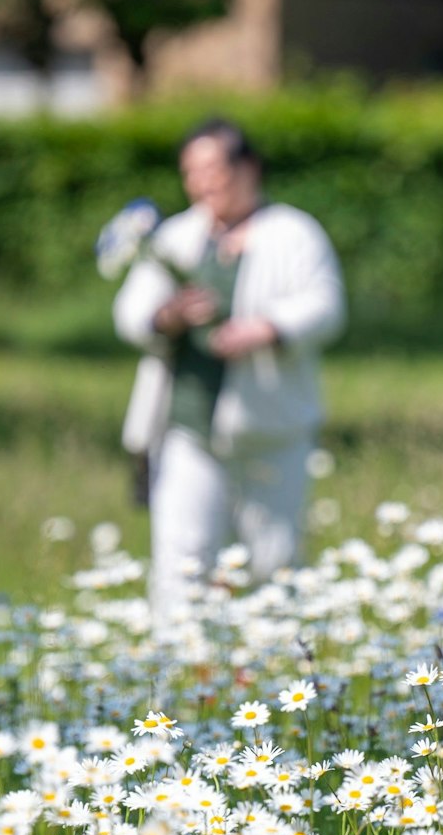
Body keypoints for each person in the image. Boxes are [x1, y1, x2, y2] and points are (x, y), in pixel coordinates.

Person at [113, 119, 346, 622]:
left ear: (248, 168)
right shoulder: (175, 235)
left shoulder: (294, 232)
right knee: (181, 557)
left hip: (270, 429)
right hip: (187, 425)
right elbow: (131, 314)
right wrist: (168, 316)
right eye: (191, 172)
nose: (203, 183)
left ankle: (276, 669)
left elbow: (326, 305)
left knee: (273, 559)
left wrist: (268, 328)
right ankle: (176, 672)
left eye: (213, 169)